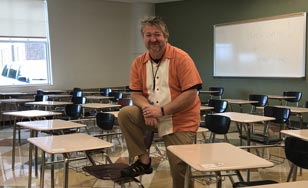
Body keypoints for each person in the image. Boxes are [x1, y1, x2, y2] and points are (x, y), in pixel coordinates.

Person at [118, 16, 202, 188]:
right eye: (148, 35)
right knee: (126, 114)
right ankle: (144, 160)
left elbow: (191, 93)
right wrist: (148, 108)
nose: (153, 39)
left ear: (166, 36)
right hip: (153, 116)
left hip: (180, 120)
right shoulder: (138, 63)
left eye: (157, 34)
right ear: (143, 38)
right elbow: (136, 94)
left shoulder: (181, 58)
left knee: (180, 169)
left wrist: (161, 111)